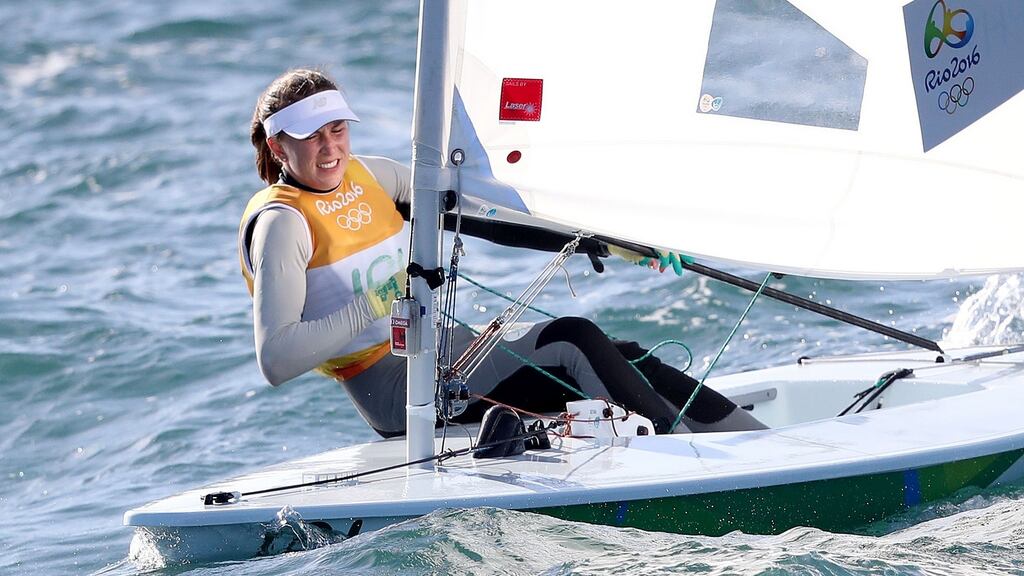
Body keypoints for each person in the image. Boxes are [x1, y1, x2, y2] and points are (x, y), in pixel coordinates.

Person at [239, 68, 765, 437]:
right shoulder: (282, 223)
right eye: (312, 137)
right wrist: (375, 301)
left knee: (621, 352)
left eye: (338, 129)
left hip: (452, 355)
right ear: (279, 145)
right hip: (395, 391)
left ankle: (754, 442)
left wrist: (608, 241)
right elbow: (276, 360)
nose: (331, 148)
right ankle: (691, 456)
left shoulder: (372, 177)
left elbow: (488, 217)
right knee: (572, 339)